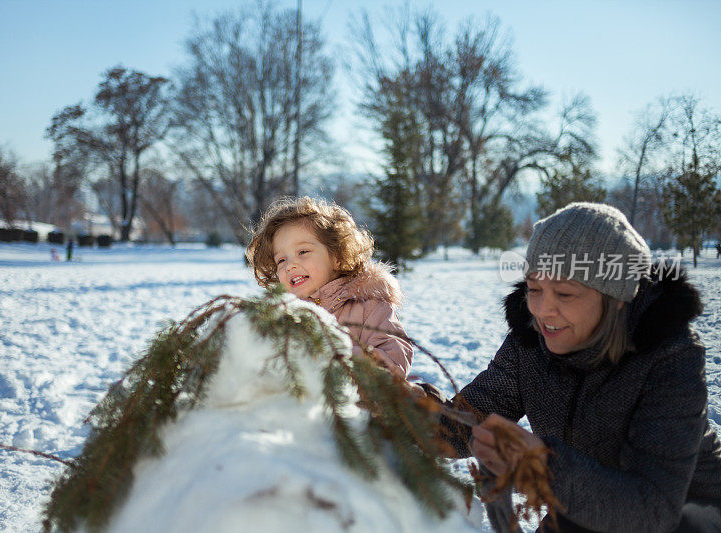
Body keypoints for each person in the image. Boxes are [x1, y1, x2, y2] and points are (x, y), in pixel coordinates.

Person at [438, 203, 721, 532]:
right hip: (583, 502)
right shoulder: (530, 342)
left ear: (615, 297)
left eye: (565, 293)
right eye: (534, 289)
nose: (543, 310)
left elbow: (654, 506)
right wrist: (399, 414)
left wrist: (544, 467)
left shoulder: (668, 355)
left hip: (686, 514)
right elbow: (470, 416)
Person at [246, 196, 413, 377]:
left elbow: (395, 363)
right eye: (281, 260)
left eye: (302, 252)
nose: (290, 265)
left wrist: (334, 354)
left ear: (338, 257)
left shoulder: (370, 306)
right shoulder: (285, 315)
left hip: (360, 403)